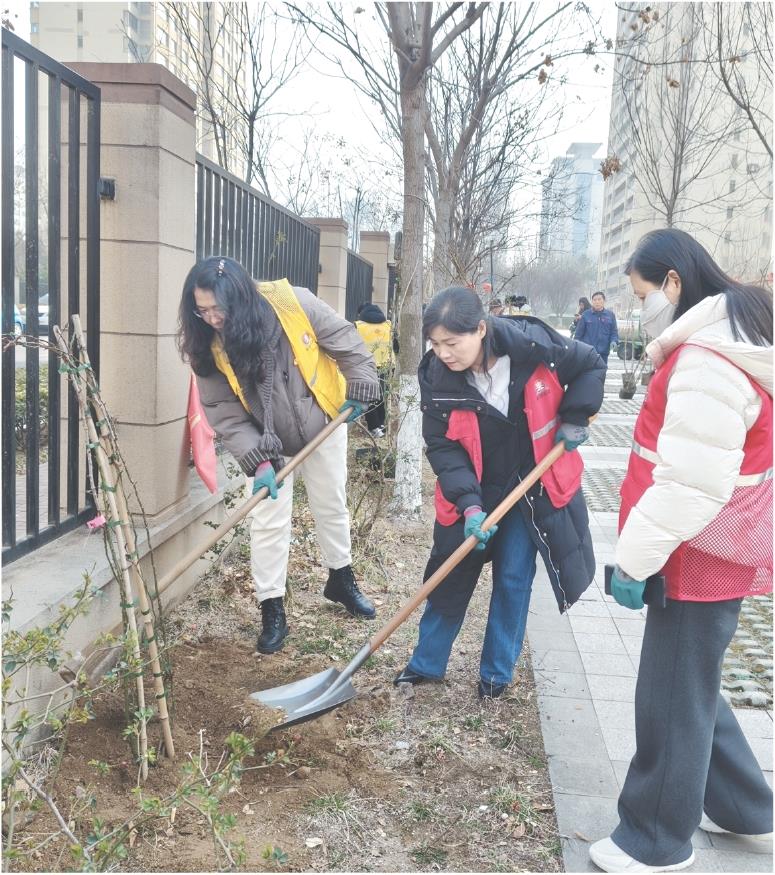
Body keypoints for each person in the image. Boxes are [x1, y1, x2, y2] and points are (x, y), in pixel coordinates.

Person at [589, 228, 773, 873]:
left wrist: (634, 560)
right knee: (691, 684)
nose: (639, 309)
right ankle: (751, 809)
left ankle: (655, 840)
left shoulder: (709, 361)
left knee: (669, 694)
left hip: (694, 547)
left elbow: (692, 483)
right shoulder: (725, 342)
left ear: (673, 283)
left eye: (642, 295)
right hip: (709, 544)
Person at [393, 287, 605, 698]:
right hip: (475, 487)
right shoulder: (437, 379)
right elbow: (442, 447)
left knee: (513, 577)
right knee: (450, 573)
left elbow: (591, 364)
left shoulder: (534, 345)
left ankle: (495, 676)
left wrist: (576, 414)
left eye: (451, 343)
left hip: (529, 486)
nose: (443, 353)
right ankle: (425, 663)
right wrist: (469, 505)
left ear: (481, 329)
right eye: (435, 344)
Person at [177, 256, 381, 655]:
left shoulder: (293, 303)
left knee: (331, 503)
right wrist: (258, 459)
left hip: (322, 419)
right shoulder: (207, 345)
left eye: (219, 308)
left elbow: (346, 342)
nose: (213, 318)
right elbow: (223, 411)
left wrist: (360, 387)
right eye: (202, 311)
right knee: (268, 522)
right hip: (265, 440)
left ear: (242, 297)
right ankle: (272, 607)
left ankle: (340, 579)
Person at [354, 302, 397, 438]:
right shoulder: (387, 325)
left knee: (369, 397)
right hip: (387, 365)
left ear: (361, 314)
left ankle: (374, 427)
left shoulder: (358, 326)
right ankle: (381, 424)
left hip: (366, 366)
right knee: (381, 396)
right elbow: (396, 346)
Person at [574, 291, 619, 363]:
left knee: (601, 373)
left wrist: (614, 341)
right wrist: (575, 347)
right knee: (587, 373)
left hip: (603, 353)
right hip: (588, 352)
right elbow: (578, 334)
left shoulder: (610, 315)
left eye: (599, 299)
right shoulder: (586, 315)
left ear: (604, 301)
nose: (597, 302)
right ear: (592, 302)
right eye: (594, 300)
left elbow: (614, 332)